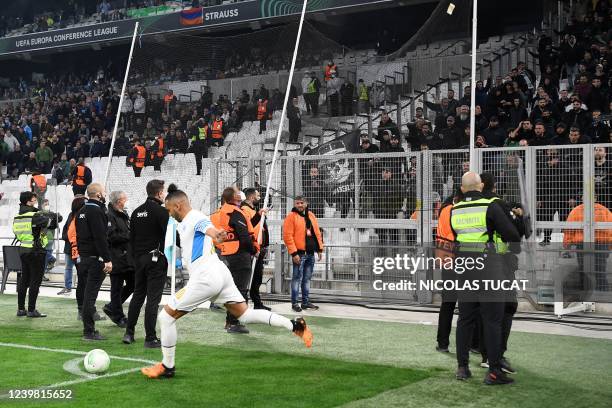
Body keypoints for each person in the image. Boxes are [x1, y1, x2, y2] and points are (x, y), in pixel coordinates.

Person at [140, 185, 313, 379]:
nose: (170, 214)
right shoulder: (185, 221)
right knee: (245, 315)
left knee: (166, 317)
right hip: (219, 273)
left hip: (205, 278)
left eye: (170, 209)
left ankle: (167, 366)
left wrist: (216, 234)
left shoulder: (195, 217)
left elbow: (207, 229)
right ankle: (295, 326)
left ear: (178, 205)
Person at [451, 172, 520, 385]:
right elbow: (512, 235)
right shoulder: (490, 205)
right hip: (488, 266)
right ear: (480, 186)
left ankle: (462, 367)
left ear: (462, 189)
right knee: (492, 319)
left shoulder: (455, 209)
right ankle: (493, 371)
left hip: (464, 266)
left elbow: (457, 237)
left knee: (465, 318)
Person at [123, 180, 169, 348]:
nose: (164, 195)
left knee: (138, 295)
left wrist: (136, 259)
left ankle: (129, 332)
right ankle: (150, 337)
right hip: (155, 259)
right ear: (158, 193)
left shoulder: (136, 212)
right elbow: (170, 236)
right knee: (153, 299)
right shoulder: (162, 212)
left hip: (139, 260)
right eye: (163, 192)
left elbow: (132, 239)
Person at [211, 187, 259, 334]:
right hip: (239, 254)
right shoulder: (236, 212)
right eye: (237, 193)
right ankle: (233, 322)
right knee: (240, 289)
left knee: (234, 288)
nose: (240, 194)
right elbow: (244, 237)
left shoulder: (219, 214)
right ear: (234, 198)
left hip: (226, 253)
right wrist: (254, 250)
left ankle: (230, 320)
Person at [76, 183, 113, 340]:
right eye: (103, 192)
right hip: (94, 259)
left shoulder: (81, 211)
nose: (105, 194)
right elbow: (100, 238)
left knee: (86, 296)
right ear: (98, 194)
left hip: (83, 258)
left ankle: (88, 330)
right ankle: (89, 331)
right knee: (90, 297)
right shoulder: (96, 210)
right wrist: (107, 259)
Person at [12, 191, 52, 318]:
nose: (35, 201)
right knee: (35, 280)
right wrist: (49, 214)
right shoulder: (34, 215)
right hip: (36, 251)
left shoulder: (17, 217)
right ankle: (31, 310)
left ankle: (20, 309)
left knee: (24, 279)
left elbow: (16, 233)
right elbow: (50, 223)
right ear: (29, 201)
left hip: (23, 249)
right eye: (34, 199)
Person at [283, 196, 324, 312]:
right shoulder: (291, 217)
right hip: (299, 254)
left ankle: (305, 302)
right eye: (297, 203)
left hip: (310, 254)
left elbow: (317, 233)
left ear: (306, 203)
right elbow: (287, 236)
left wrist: (320, 249)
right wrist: (294, 253)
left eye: (302, 203)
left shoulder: (311, 215)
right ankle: (295, 303)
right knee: (296, 279)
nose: (299, 205)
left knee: (307, 279)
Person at [434, 189, 463, 353]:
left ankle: (442, 343)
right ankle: (472, 344)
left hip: (444, 256)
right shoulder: (455, 211)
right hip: (456, 255)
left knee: (447, 304)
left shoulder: (444, 210)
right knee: (467, 304)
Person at [563, 196, 612, 292]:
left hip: (583, 243)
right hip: (602, 243)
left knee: (583, 268)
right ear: (596, 198)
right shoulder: (604, 211)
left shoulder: (576, 211)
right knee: (600, 268)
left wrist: (567, 243)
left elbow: (569, 228)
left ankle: (585, 291)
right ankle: (602, 290)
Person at [103, 191, 135, 328]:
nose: (126, 201)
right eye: (124, 199)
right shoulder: (109, 215)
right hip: (116, 257)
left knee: (133, 283)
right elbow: (112, 237)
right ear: (118, 201)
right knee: (116, 287)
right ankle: (118, 316)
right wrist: (130, 235)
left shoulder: (123, 214)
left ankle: (112, 307)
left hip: (127, 257)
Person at [241, 188, 270, 311]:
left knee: (257, 277)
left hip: (260, 248)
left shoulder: (254, 210)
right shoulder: (245, 210)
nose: (259, 198)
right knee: (249, 277)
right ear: (252, 198)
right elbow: (249, 227)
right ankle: (243, 304)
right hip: (252, 250)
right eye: (258, 196)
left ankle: (257, 302)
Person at [58, 195, 85, 296]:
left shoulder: (83, 216)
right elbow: (65, 229)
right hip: (70, 247)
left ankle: (81, 288)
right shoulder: (71, 215)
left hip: (79, 248)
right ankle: (68, 287)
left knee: (80, 269)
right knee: (68, 268)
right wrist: (68, 238)